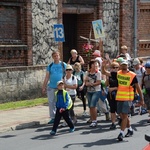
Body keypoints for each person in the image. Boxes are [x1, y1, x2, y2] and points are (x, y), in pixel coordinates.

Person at [102, 59, 144, 141]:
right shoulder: (118, 73)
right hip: (119, 97)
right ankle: (130, 129)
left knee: (124, 115)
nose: (124, 66)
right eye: (123, 65)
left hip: (128, 98)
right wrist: (103, 65)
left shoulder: (132, 75)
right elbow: (104, 72)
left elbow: (138, 87)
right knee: (122, 115)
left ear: (128, 66)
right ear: (121, 66)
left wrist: (141, 99)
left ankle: (121, 133)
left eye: (125, 65)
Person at [42, 51, 67, 124]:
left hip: (61, 86)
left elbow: (67, 75)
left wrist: (66, 85)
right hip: (51, 86)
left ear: (59, 56)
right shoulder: (50, 66)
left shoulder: (63, 65)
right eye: (54, 56)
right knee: (51, 102)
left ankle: (61, 115)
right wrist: (44, 87)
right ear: (53, 57)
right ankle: (53, 117)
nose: (56, 57)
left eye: (57, 56)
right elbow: (47, 77)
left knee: (61, 101)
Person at [102, 61, 120, 129]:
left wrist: (113, 88)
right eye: (113, 67)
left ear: (118, 68)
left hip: (119, 94)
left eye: (116, 67)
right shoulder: (110, 75)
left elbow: (122, 86)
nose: (114, 69)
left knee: (118, 109)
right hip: (111, 95)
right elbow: (103, 72)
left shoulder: (120, 75)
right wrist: (103, 65)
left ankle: (121, 119)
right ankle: (113, 123)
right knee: (112, 109)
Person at [85, 60, 102, 127]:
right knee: (90, 106)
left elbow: (99, 82)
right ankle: (92, 118)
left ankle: (94, 120)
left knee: (93, 105)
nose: (95, 66)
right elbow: (85, 82)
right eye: (94, 65)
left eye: (96, 65)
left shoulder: (98, 73)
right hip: (89, 91)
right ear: (91, 65)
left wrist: (92, 84)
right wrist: (87, 84)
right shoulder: (87, 73)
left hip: (96, 90)